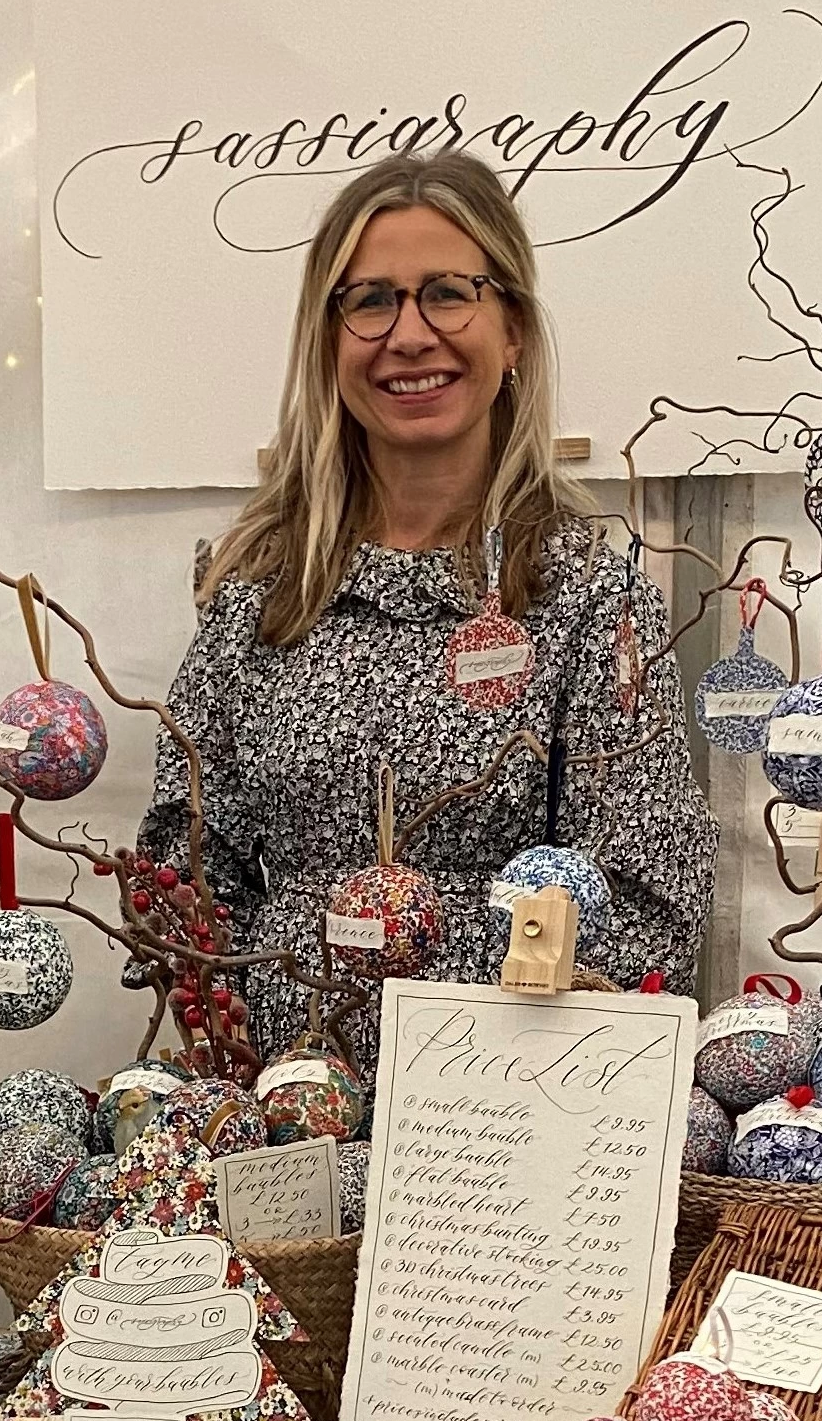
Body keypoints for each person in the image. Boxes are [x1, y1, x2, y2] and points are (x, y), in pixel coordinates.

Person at [139, 150, 712, 1064]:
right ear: (327, 339)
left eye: (448, 292)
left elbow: (646, 899)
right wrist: (261, 1069)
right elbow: (185, 876)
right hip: (287, 1127)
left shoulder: (588, 595)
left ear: (513, 329)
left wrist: (455, 1062)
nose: (410, 335)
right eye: (370, 301)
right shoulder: (258, 594)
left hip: (506, 1123)